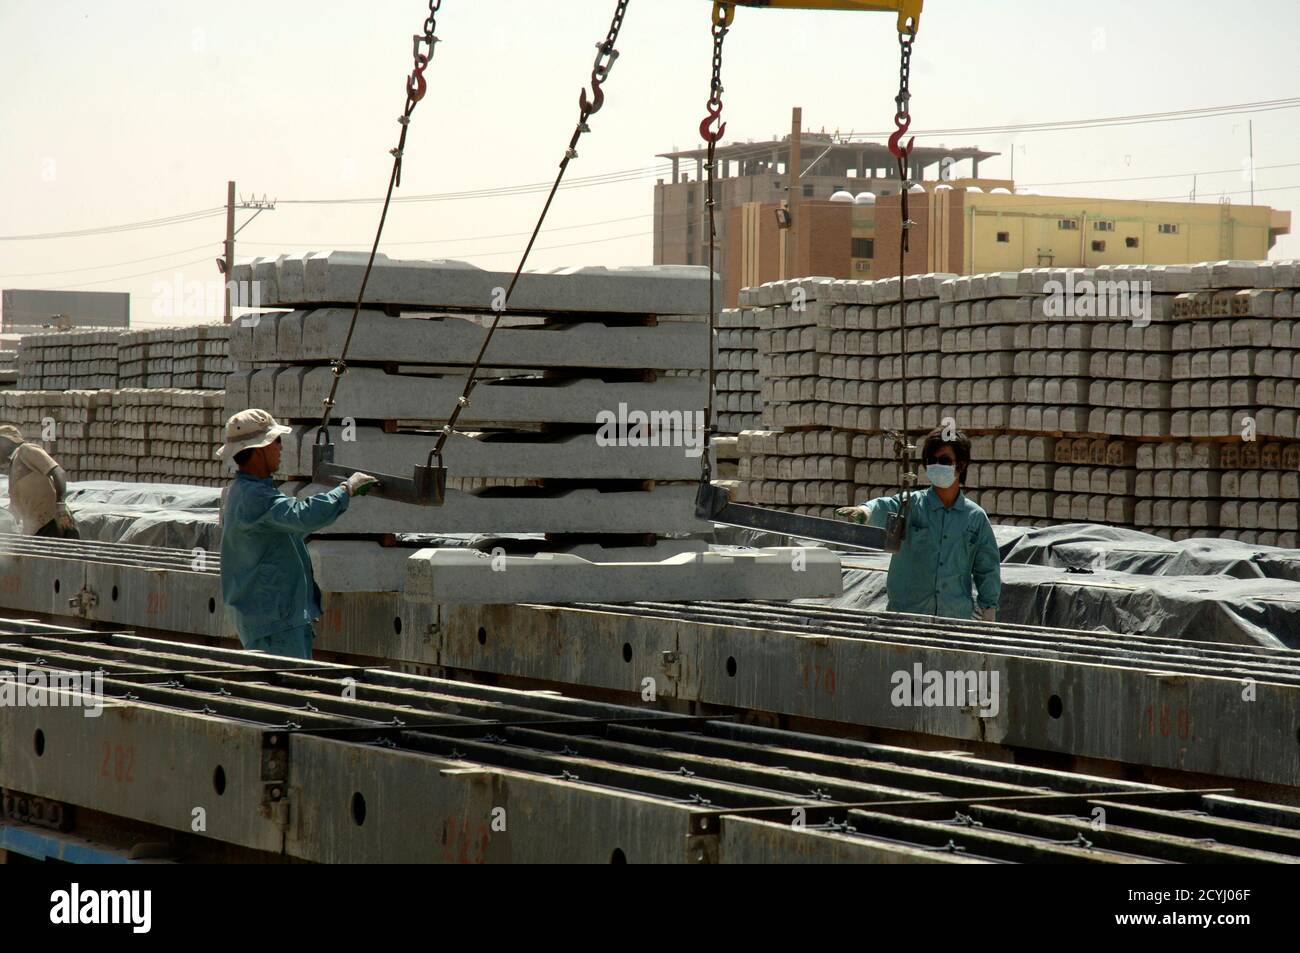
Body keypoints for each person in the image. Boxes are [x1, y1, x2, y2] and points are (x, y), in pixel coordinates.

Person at [217, 409, 377, 659]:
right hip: (275, 620)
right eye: (277, 442)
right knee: (289, 693)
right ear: (261, 449)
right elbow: (303, 516)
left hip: (270, 617)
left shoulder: (245, 491)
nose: (281, 448)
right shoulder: (255, 497)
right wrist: (346, 490)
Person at [837, 427, 1001, 622]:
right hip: (907, 617)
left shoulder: (975, 518)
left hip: (954, 620)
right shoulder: (912, 505)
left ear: (961, 465)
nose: (937, 465)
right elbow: (885, 506)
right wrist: (865, 511)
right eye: (931, 461)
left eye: (945, 461)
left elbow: (987, 567)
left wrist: (989, 608)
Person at [0, 425, 80, 538]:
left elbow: (59, 473)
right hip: (37, 527)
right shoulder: (14, 466)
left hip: (52, 522)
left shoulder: (26, 450)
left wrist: (60, 505)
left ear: (5, 442)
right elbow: (16, 508)